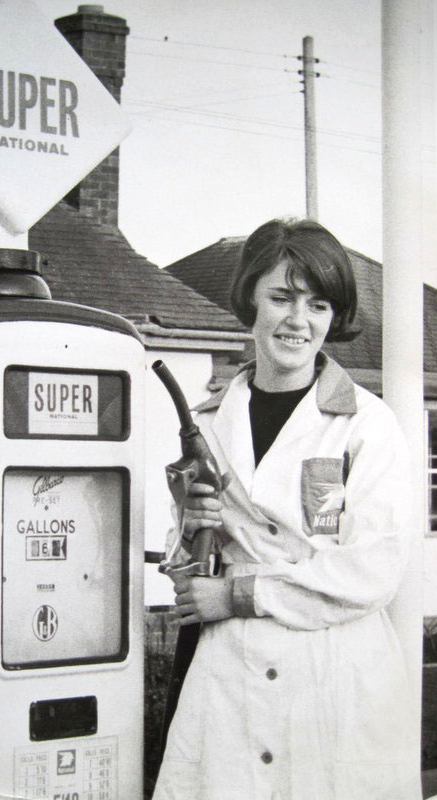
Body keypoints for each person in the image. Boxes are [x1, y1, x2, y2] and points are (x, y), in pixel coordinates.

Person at [152, 218, 421, 800]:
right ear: (251, 296)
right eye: (282, 298)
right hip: (230, 682)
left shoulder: (367, 424)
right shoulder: (205, 423)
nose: (299, 322)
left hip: (335, 677)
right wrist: (189, 533)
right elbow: (188, 578)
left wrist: (241, 594)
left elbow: (375, 567)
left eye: (319, 306)